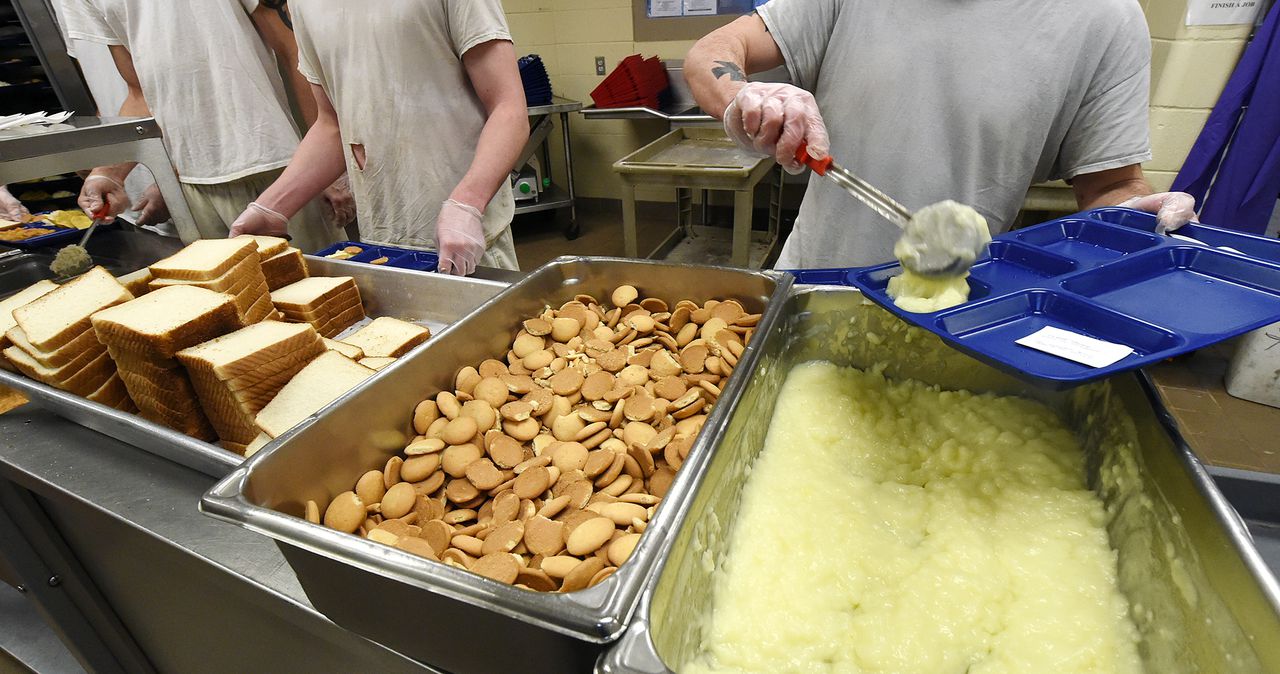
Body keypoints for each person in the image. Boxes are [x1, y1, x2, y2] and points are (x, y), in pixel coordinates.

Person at [685, 0, 1198, 269]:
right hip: (815, 281)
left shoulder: (1105, 18)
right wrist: (745, 97)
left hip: (958, 302)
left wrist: (1132, 217)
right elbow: (714, 51)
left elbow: (1111, 185)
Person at [228, 0, 528, 276]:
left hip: (465, 239)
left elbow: (508, 108)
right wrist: (272, 206)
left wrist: (467, 205)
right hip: (379, 242)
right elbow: (332, 125)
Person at [58, 0, 354, 251]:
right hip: (192, 185)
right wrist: (108, 175)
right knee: (233, 304)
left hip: (274, 164)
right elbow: (140, 92)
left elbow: (294, 51)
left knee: (321, 297)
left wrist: (328, 164)